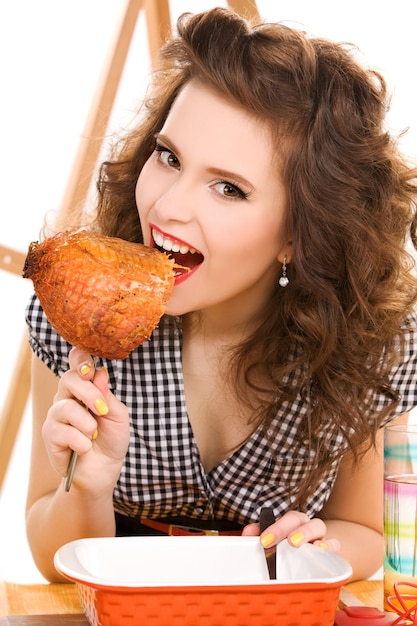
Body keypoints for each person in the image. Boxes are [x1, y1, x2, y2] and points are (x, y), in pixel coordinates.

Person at [25, 7, 417, 583]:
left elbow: (359, 530)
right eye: (169, 157)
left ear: (299, 233)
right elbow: (54, 560)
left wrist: (316, 543)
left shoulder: (369, 340)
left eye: (228, 188)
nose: (167, 207)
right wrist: (89, 483)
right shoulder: (79, 313)